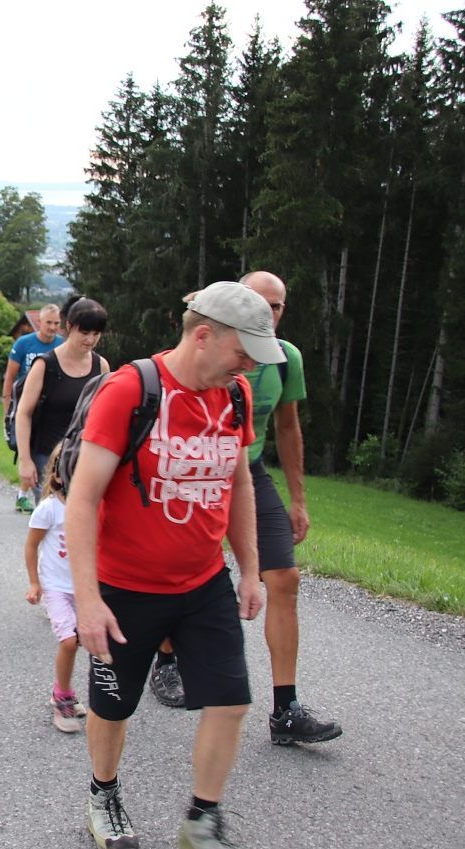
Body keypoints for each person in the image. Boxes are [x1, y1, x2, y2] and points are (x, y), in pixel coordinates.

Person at [67, 281, 277, 849]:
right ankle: (103, 796)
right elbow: (82, 501)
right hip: (125, 588)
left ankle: (201, 829)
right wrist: (88, 599)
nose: (249, 367)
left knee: (230, 701)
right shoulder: (131, 390)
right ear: (203, 335)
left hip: (202, 581)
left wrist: (250, 569)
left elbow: (238, 484)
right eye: (243, 351)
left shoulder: (233, 393)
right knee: (113, 705)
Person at [149, 271, 342, 744]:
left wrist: (298, 500)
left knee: (285, 579)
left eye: (278, 307)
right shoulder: (205, 349)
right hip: (194, 474)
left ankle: (286, 709)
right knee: (182, 568)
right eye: (260, 303)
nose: (269, 314)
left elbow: (289, 427)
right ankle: (167, 659)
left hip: (248, 474)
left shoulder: (284, 360)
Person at [16, 298, 110, 507]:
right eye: (85, 333)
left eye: (96, 334)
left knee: (78, 521)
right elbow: (24, 412)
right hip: (46, 457)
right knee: (52, 521)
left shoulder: (101, 366)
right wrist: (25, 460)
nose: (90, 340)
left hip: (83, 458)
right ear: (69, 326)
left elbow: (104, 414)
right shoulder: (45, 365)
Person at [24, 444, 88, 733]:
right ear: (60, 477)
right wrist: (35, 583)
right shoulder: (49, 509)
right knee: (68, 641)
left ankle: (67, 693)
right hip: (56, 588)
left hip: (84, 588)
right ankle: (61, 694)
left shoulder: (92, 508)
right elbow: (31, 545)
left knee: (85, 641)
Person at [3, 303, 64, 513]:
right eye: (49, 323)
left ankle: (28, 496)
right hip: (25, 408)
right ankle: (39, 502)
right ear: (40, 322)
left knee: (44, 459)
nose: (53, 327)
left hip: (49, 412)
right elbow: (10, 376)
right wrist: (6, 409)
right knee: (28, 452)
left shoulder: (61, 345)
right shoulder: (24, 344)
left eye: (57, 323)